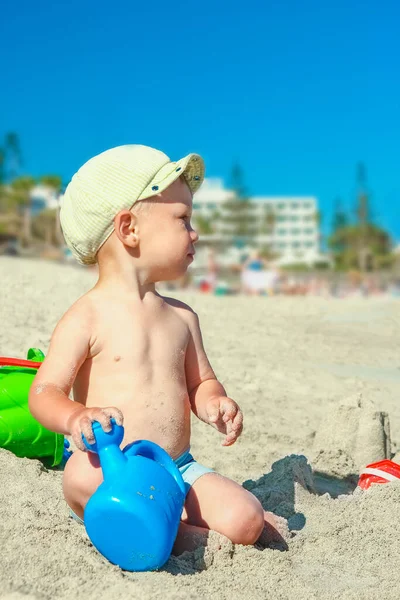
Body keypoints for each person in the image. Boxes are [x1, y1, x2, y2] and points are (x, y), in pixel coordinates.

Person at [29, 145, 285, 554]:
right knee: (78, 476)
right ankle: (175, 534)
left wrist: (215, 402)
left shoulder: (182, 318)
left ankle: (168, 525)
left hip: (176, 467)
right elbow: (44, 393)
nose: (195, 232)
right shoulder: (86, 316)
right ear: (129, 228)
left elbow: (200, 381)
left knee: (247, 519)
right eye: (183, 219)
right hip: (113, 465)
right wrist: (77, 416)